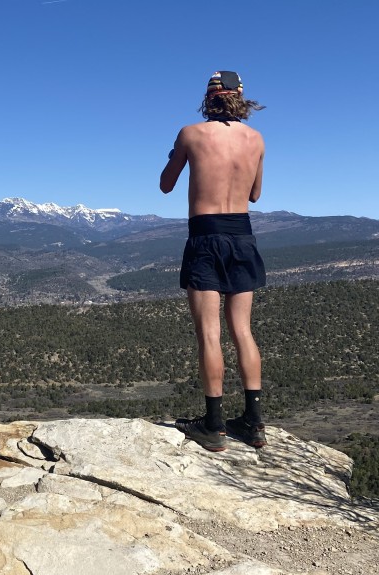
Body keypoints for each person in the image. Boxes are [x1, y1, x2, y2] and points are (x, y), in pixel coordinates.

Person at [159, 70, 268, 451]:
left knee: (209, 333)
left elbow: (166, 183)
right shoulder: (256, 140)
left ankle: (214, 424)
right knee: (242, 331)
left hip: (205, 236)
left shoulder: (191, 133)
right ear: (241, 97)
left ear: (209, 99)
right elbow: (255, 194)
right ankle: (253, 424)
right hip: (242, 236)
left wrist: (178, 156)